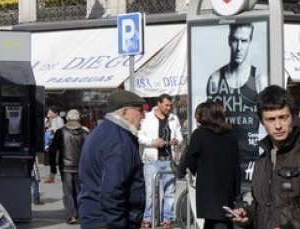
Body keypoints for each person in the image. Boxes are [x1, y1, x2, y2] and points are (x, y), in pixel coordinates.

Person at [229, 85, 300, 229]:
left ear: (293, 116)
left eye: (283, 117)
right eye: (271, 119)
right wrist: (248, 215)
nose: (278, 125)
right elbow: (263, 205)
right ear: (262, 121)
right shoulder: (262, 161)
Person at [78, 89, 146, 229]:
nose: (143, 115)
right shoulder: (118, 140)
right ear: (125, 112)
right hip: (106, 221)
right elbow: (111, 190)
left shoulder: (100, 132)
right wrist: (118, 223)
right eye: (140, 110)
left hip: (95, 217)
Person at [206, 23, 266, 181]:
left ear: (250, 41)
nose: (239, 47)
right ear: (229, 41)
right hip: (223, 154)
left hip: (251, 155)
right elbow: (208, 121)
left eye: (244, 41)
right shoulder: (215, 79)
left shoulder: (259, 78)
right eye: (235, 40)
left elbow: (267, 119)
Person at [177, 101, 239, 229]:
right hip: (226, 187)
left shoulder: (199, 134)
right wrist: (236, 190)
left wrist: (198, 170)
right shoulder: (230, 135)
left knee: (213, 221)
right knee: (222, 219)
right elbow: (236, 163)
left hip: (207, 185)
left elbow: (190, 159)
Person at [139, 93, 183, 229]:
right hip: (152, 160)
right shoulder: (147, 117)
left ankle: (168, 220)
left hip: (169, 160)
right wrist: (153, 141)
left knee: (170, 192)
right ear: (158, 103)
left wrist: (177, 140)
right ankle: (148, 218)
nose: (169, 108)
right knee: (151, 193)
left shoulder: (173, 118)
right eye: (166, 105)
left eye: (170, 105)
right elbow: (139, 136)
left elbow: (180, 135)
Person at [57, 109, 88, 225]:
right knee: (79, 191)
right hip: (80, 167)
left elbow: (53, 148)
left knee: (68, 192)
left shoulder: (61, 132)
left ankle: (71, 215)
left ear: (67, 119)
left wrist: (52, 167)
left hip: (65, 167)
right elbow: (89, 151)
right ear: (79, 119)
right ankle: (80, 214)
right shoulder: (85, 133)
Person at [44, 106, 64, 183]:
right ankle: (51, 176)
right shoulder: (49, 119)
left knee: (57, 159)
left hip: (57, 141)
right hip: (50, 140)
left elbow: (61, 129)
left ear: (55, 113)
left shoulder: (59, 119)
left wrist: (51, 129)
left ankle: (55, 176)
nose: (48, 113)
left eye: (50, 112)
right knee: (51, 159)